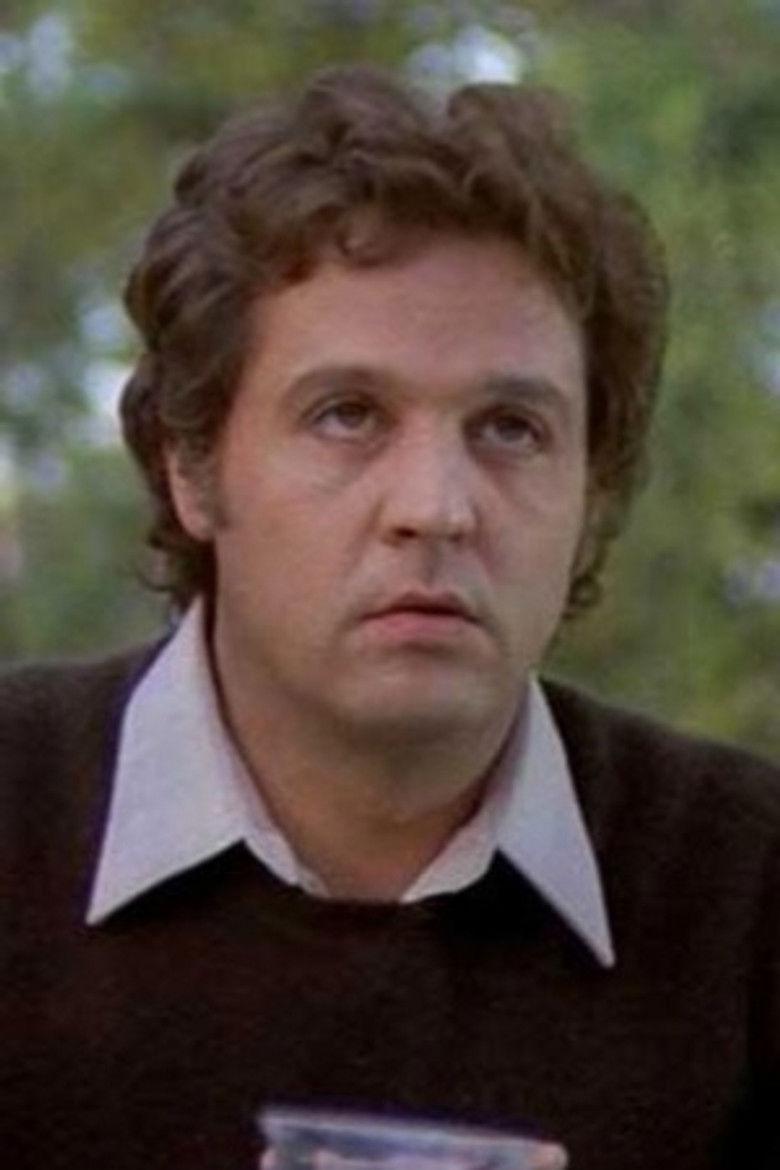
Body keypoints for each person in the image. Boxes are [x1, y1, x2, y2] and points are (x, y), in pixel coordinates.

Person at [1, 63, 778, 1170]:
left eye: (510, 428)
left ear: (594, 494)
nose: (436, 508)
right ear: (192, 466)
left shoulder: (744, 889)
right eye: (348, 415)